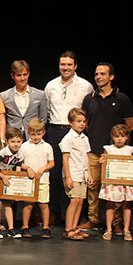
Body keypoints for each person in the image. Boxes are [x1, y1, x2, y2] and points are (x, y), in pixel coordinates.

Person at [80, 62, 133, 234]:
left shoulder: (121, 98)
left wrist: (117, 142)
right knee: (93, 186)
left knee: (117, 187)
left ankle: (117, 223)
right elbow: (85, 122)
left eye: (102, 74)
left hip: (116, 154)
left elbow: (130, 124)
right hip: (94, 150)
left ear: (111, 77)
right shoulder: (90, 98)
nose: (98, 77)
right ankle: (94, 220)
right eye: (96, 74)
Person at [44, 51, 93, 225]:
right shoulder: (51, 85)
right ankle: (55, 213)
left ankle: (81, 215)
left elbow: (87, 111)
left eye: (69, 65)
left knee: (80, 174)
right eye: (62, 64)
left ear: (75, 66)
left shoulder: (85, 86)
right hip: (55, 130)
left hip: (76, 132)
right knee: (55, 175)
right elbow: (47, 109)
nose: (65, 68)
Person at [100, 124, 133, 242]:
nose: (119, 138)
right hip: (112, 182)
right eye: (117, 136)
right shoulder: (108, 149)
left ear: (127, 138)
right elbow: (105, 163)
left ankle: (126, 230)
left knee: (126, 205)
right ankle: (109, 229)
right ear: (112, 137)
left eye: (122, 136)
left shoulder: (130, 150)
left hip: (126, 183)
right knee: (110, 204)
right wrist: (102, 161)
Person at [59, 108, 92, 241]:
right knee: (74, 201)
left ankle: (74, 226)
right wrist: (68, 177)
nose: (82, 124)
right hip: (73, 173)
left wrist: (89, 173)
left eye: (84, 121)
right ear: (71, 122)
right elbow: (65, 159)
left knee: (80, 201)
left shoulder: (84, 138)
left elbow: (86, 157)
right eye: (78, 121)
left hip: (82, 173)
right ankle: (68, 230)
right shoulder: (68, 138)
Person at [19, 118, 55, 238]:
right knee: (28, 204)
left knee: (43, 204)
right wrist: (28, 168)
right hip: (29, 181)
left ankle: (45, 227)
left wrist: (43, 169)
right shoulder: (24, 146)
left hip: (43, 180)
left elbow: (52, 163)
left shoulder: (47, 146)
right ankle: (25, 226)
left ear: (43, 133)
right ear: (28, 132)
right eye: (33, 134)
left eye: (38, 134)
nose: (35, 137)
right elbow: (19, 162)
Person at [0, 127, 26, 239]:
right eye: (13, 141)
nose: (16, 144)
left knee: (8, 205)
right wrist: (3, 176)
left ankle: (11, 229)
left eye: (18, 142)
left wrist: (17, 186)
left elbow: (18, 170)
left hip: (7, 181)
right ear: (7, 141)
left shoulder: (20, 153)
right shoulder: (4, 152)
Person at [0, 60, 48, 140]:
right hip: (13, 139)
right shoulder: (4, 96)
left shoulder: (40, 95)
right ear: (13, 76)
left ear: (28, 74)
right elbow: (3, 120)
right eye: (19, 75)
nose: (22, 78)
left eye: (25, 74)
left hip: (33, 138)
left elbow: (43, 119)